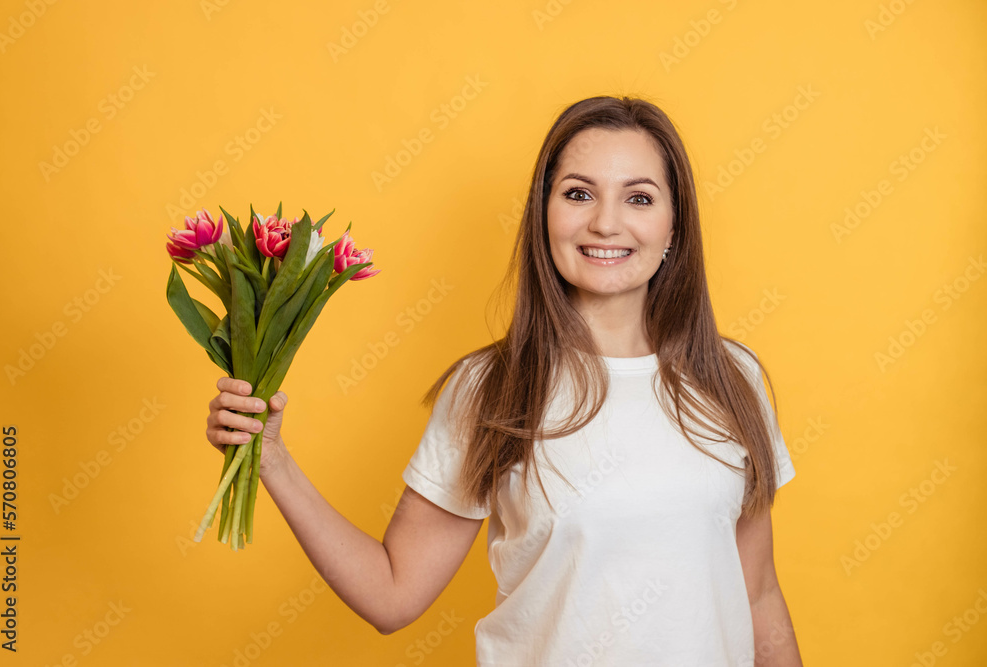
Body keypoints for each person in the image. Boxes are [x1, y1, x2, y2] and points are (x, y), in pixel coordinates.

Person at [205, 95, 804, 666]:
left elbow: (757, 597)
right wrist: (272, 459)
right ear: (544, 215)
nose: (605, 222)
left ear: (675, 227)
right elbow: (391, 595)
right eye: (578, 194)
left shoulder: (732, 379)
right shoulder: (491, 387)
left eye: (639, 198)